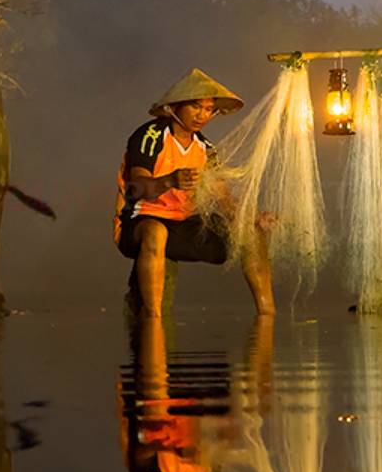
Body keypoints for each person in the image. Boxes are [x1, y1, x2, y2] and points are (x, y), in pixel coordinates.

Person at [113, 68, 274, 318]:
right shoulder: (150, 136)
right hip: (142, 222)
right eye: (196, 107)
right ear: (175, 107)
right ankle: (153, 321)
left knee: (252, 233)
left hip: (185, 224)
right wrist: (169, 181)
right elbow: (137, 187)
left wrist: (251, 218)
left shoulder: (205, 148)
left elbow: (223, 197)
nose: (203, 115)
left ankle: (268, 315)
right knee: (156, 232)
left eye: (209, 109)